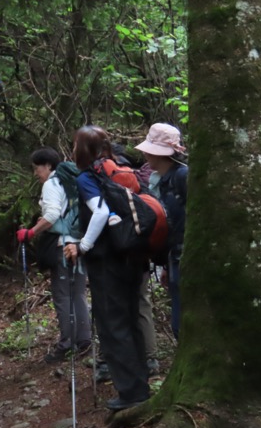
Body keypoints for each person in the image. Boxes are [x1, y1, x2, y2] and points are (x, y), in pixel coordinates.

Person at [63, 125, 150, 411]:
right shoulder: (121, 168)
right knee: (130, 320)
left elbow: (99, 212)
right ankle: (140, 384)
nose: (73, 149)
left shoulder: (89, 177)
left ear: (85, 149)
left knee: (113, 325)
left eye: (76, 144)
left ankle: (131, 392)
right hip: (132, 256)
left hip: (107, 262)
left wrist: (84, 246)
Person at [16, 148, 91, 364]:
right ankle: (84, 341)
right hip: (79, 243)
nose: (35, 173)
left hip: (62, 246)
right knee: (77, 292)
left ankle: (67, 343)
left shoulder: (52, 183)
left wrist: (31, 232)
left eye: (36, 168)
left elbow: (51, 215)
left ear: (48, 165)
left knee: (62, 295)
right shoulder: (73, 180)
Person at [136, 123, 188, 340]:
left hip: (186, 255)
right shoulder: (160, 181)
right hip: (173, 256)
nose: (146, 154)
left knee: (183, 320)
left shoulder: (183, 177)